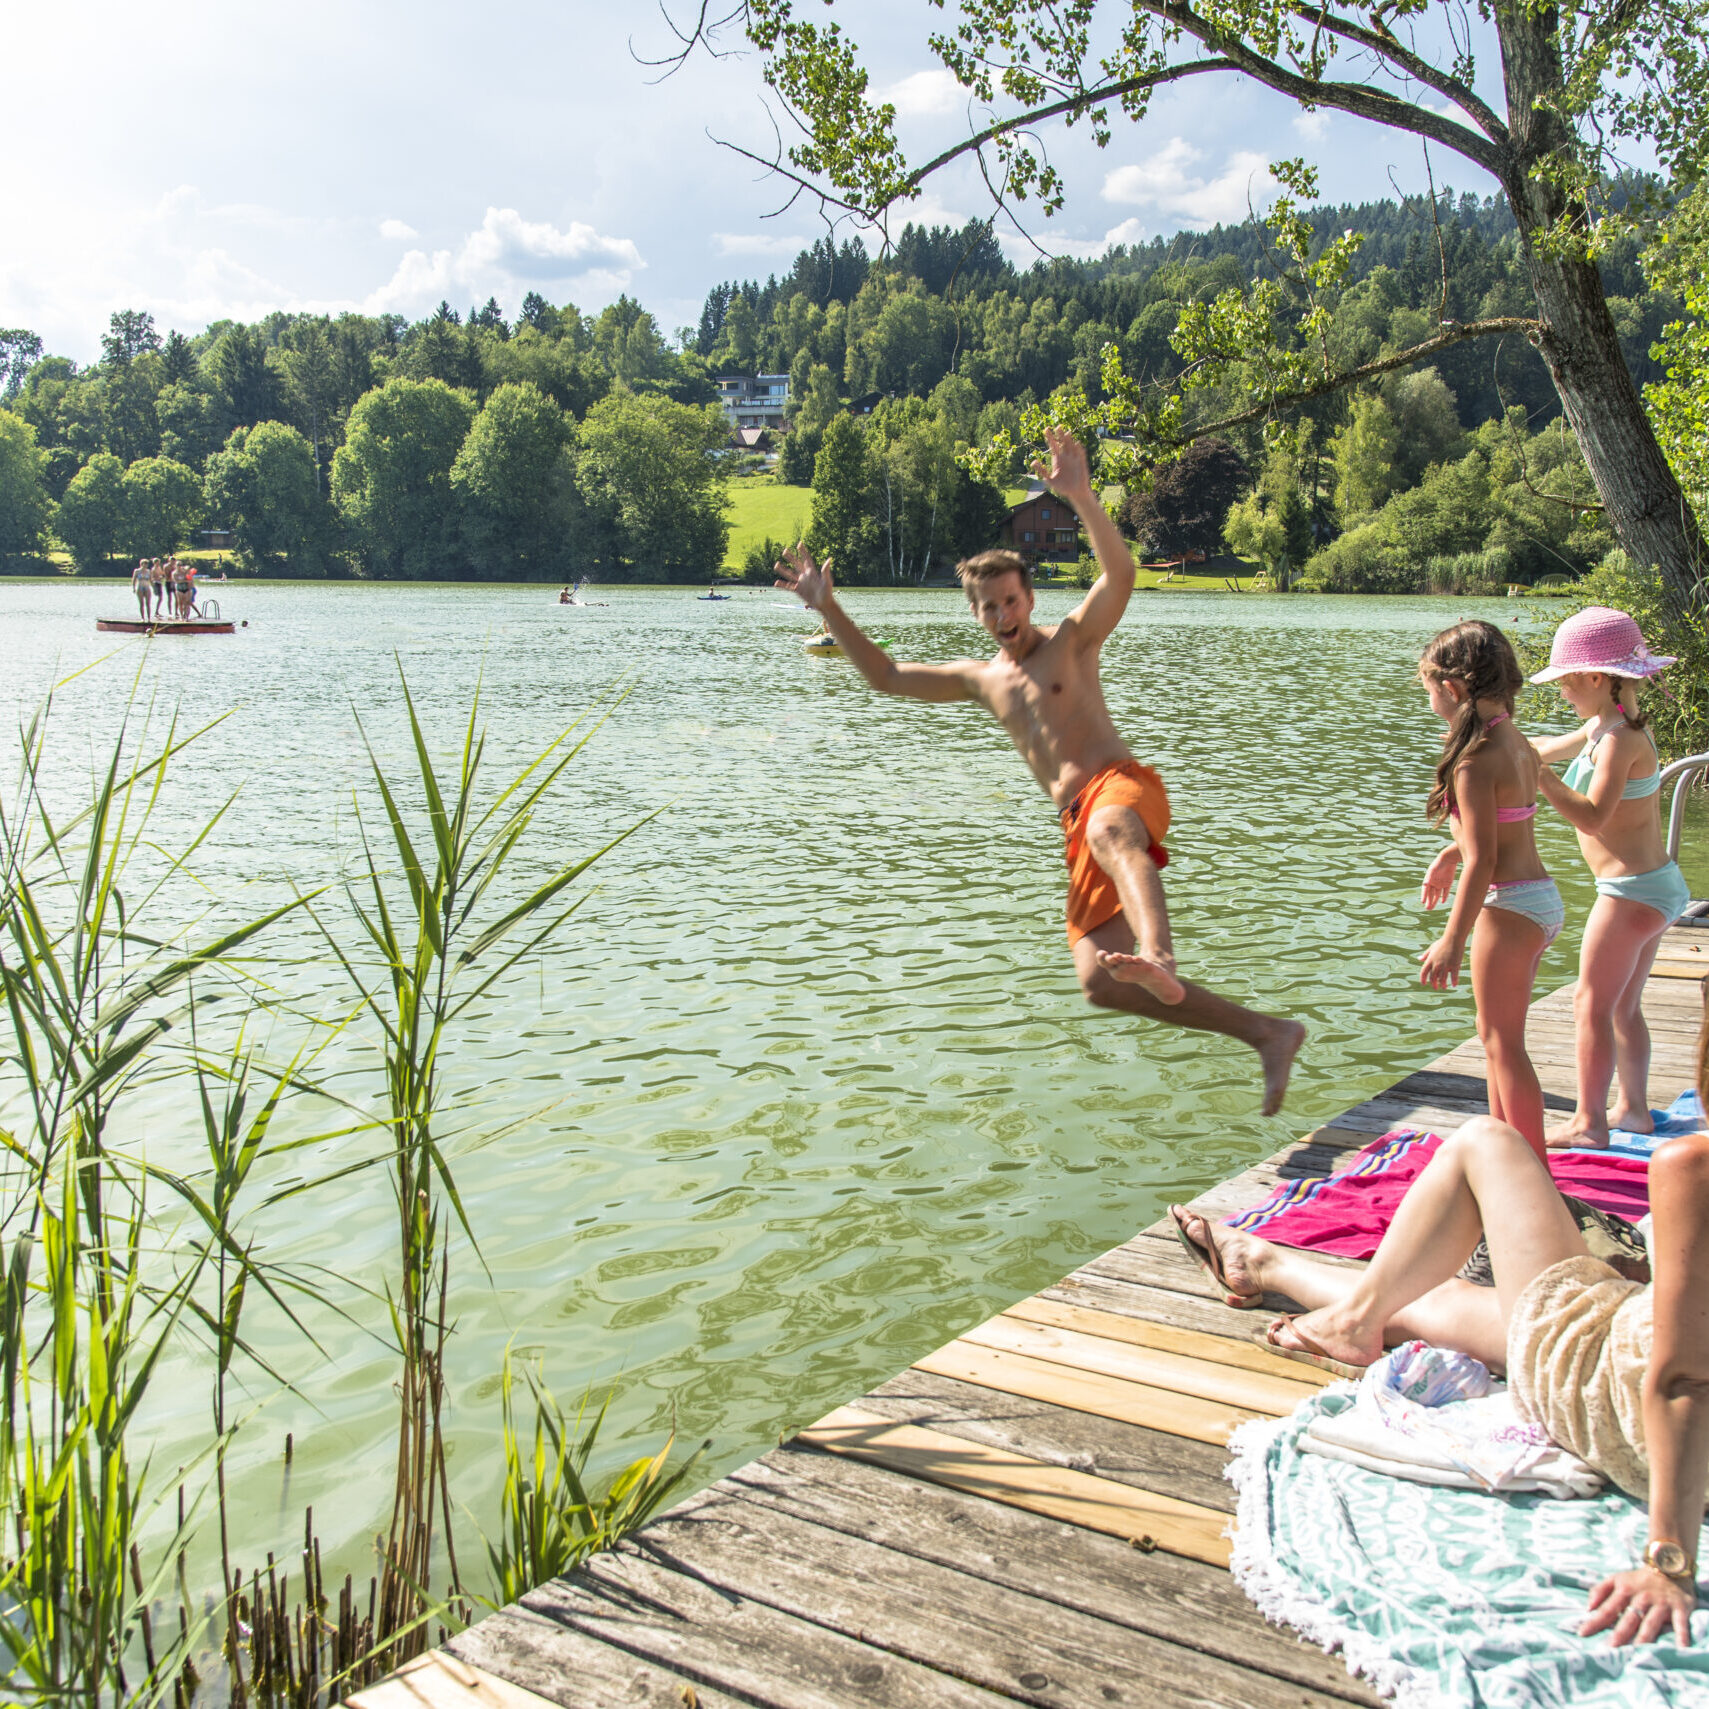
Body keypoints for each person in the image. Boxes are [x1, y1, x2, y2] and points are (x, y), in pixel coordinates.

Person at [772, 426, 1305, 1114]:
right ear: (974, 612)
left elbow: (1120, 576)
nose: (1002, 614)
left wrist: (1080, 497)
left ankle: (1161, 957)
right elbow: (884, 675)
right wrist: (828, 605)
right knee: (1099, 983)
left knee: (1113, 833)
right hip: (1076, 824)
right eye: (988, 606)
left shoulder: (1073, 642)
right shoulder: (980, 679)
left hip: (1121, 790)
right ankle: (1266, 1033)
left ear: (1031, 599)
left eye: (1012, 600)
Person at [1172, 977, 1709, 1647]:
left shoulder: (1694, 1165)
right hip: (1635, 1369)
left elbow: (1684, 1380)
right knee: (1471, 1305)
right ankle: (1269, 1265)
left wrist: (1669, 1560)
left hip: (1611, 1398)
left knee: (1484, 1144)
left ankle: (1346, 1315)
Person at [1531, 606, 1687, 1148]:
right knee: (1623, 1006)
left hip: (1630, 895)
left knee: (1589, 1004)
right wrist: (1511, 749)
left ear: (1595, 678)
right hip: (1656, 886)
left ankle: (1589, 1122)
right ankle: (1634, 1111)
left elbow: (1593, 816)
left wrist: (1542, 777)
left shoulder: (1621, 741)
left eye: (1567, 682)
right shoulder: (1605, 724)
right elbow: (1547, 749)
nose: (1562, 693)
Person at [1417, 621, 1562, 1157]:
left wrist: (1452, 938)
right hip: (1540, 898)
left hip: (1509, 906)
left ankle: (1533, 1171)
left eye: (1430, 688)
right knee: (1494, 1036)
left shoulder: (1475, 760)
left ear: (1451, 689)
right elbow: (1506, 826)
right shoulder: (1514, 740)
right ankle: (1510, 1156)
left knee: (1504, 1045)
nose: (1430, 698)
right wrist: (1449, 854)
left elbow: (1486, 858)